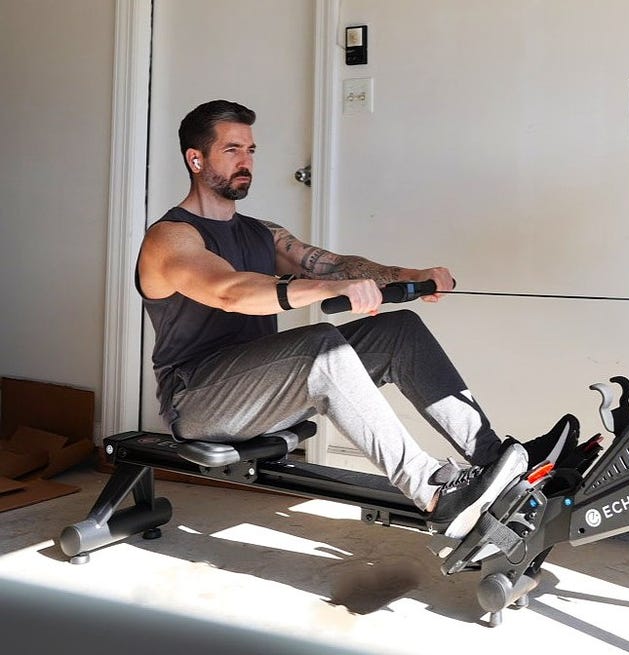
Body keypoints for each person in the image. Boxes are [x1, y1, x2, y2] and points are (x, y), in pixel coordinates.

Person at [136, 99, 574, 540]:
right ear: (196, 159)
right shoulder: (170, 238)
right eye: (232, 150)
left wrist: (411, 277)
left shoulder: (259, 232)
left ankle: (497, 461)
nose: (246, 162)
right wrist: (327, 291)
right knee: (320, 346)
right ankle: (437, 495)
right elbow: (229, 291)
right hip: (197, 401)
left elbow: (333, 265)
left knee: (397, 330)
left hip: (262, 388)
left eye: (251, 150)